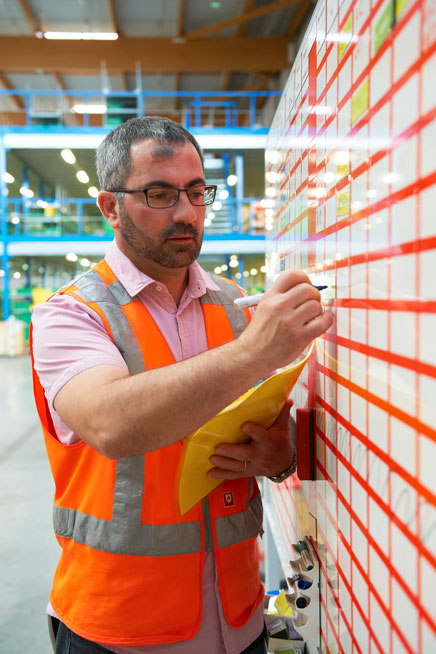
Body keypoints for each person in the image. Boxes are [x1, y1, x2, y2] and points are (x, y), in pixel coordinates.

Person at [31, 116, 333, 654]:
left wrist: (280, 457)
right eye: (159, 194)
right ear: (109, 207)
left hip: (239, 621)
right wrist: (255, 351)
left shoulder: (233, 304)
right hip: (119, 627)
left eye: (196, 192)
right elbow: (111, 423)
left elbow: (267, 429)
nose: (187, 213)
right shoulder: (71, 315)